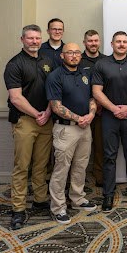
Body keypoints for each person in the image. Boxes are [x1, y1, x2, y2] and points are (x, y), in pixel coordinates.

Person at [92, 31, 127, 212]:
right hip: (109, 116)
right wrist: (114, 108)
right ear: (112, 43)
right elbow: (97, 91)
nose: (122, 44)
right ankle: (108, 194)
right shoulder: (101, 64)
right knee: (109, 155)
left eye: (125, 42)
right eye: (118, 41)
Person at [4, 24, 53, 230]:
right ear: (22, 39)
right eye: (30, 38)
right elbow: (15, 98)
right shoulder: (14, 64)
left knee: (42, 164)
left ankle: (40, 200)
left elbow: (55, 89)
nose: (34, 42)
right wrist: (37, 114)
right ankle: (18, 209)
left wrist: (48, 112)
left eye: (37, 38)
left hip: (47, 119)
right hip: (25, 120)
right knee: (22, 167)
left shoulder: (48, 60)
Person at [46, 43, 98, 224]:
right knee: (61, 168)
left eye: (77, 52)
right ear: (62, 56)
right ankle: (58, 207)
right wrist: (78, 118)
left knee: (80, 165)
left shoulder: (85, 74)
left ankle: (77, 199)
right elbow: (56, 106)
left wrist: (91, 114)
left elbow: (92, 97)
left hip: (85, 127)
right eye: (70, 52)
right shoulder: (55, 76)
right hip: (66, 129)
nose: (74, 55)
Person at [79, 29, 106, 187]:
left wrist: (100, 104)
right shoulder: (78, 60)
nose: (93, 43)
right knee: (80, 150)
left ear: (99, 42)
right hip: (82, 112)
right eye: (90, 41)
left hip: (102, 112)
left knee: (100, 148)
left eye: (96, 40)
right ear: (84, 43)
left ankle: (100, 178)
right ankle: (78, 181)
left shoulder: (106, 61)